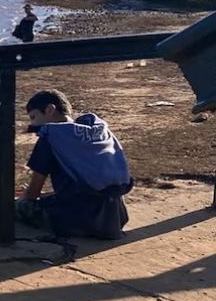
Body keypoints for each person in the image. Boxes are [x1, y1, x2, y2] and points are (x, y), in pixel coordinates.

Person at [15, 90, 133, 239]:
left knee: (8, 208)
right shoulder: (98, 133)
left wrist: (25, 196)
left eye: (33, 117)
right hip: (113, 219)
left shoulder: (50, 137)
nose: (32, 124)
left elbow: (32, 194)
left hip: (75, 221)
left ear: (50, 110)